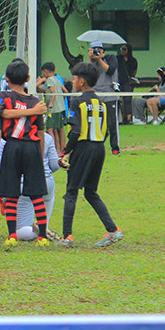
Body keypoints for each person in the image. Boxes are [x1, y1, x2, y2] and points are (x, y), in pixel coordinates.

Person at [58, 62, 124, 248]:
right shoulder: (101, 103)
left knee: (71, 191)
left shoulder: (77, 102)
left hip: (84, 148)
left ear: (81, 81)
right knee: (90, 192)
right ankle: (112, 230)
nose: (73, 81)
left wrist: (65, 152)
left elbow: (76, 130)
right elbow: (107, 131)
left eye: (74, 78)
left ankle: (67, 237)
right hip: (99, 149)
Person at [0, 60, 50, 246]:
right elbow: (41, 133)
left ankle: (12, 235)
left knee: (11, 193)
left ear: (7, 79)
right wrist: (40, 157)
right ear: (28, 79)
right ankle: (42, 236)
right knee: (36, 194)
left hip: (13, 147)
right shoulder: (36, 103)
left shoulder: (4, 96)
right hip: (32, 148)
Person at [0, 131, 59, 242]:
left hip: (21, 183)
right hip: (45, 180)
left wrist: (2, 187)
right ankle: (44, 228)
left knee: (22, 233)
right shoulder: (47, 137)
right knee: (45, 195)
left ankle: (34, 231)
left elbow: (0, 166)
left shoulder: (7, 138)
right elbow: (54, 165)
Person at [88, 40, 121, 154]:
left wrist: (99, 59)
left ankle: (115, 147)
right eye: (94, 49)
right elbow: (87, 72)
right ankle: (97, 145)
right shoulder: (91, 62)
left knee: (111, 123)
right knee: (97, 123)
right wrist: (90, 58)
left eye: (99, 49)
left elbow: (110, 70)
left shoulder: (111, 58)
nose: (97, 51)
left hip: (109, 95)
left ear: (103, 50)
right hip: (96, 96)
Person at [35, 61, 68, 155]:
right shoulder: (57, 79)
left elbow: (52, 92)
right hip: (61, 108)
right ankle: (60, 150)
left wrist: (52, 103)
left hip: (53, 109)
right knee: (59, 129)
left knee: (50, 129)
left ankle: (53, 150)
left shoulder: (49, 80)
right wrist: (61, 101)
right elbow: (65, 91)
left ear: (45, 72)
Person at [118, 43, 138, 123]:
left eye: (124, 49)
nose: (122, 51)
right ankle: (121, 118)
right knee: (118, 100)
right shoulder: (118, 59)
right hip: (119, 81)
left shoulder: (133, 61)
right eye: (122, 49)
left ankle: (129, 119)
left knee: (127, 100)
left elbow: (134, 71)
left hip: (128, 82)